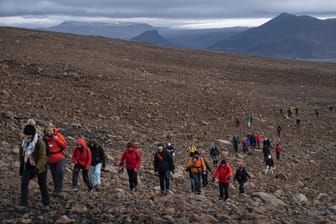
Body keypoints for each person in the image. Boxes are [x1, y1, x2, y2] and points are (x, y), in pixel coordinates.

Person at [19, 124, 49, 212]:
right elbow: (22, 155)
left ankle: (46, 204)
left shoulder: (40, 143)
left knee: (42, 184)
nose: (27, 136)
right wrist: (21, 167)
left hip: (41, 167)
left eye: (29, 135)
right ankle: (23, 204)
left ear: (33, 134)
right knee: (24, 183)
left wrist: (37, 168)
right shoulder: (24, 142)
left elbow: (43, 157)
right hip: (28, 166)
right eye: (26, 135)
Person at [44, 126, 67, 194]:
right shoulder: (45, 138)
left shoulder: (58, 136)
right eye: (47, 131)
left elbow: (64, 145)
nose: (49, 132)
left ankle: (59, 188)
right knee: (54, 174)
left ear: (53, 131)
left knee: (60, 171)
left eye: (50, 131)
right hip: (50, 159)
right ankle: (56, 188)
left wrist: (57, 139)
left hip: (60, 157)